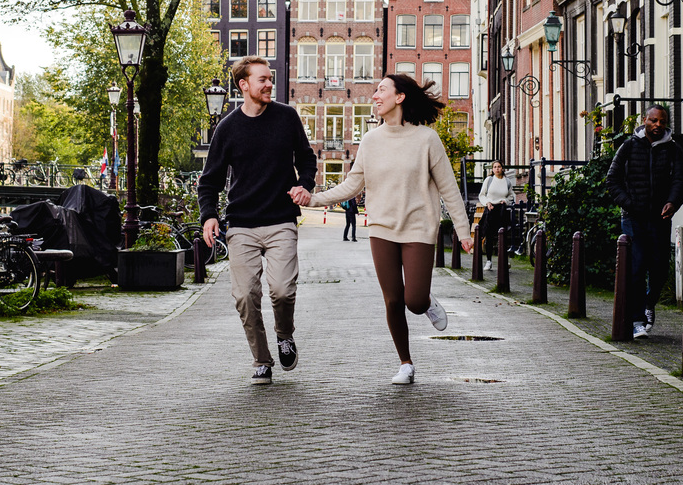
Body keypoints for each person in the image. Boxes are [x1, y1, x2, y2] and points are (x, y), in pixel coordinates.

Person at [303, 74, 473, 385]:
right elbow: (352, 185)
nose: (375, 96)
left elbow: (449, 189)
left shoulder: (427, 140)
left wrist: (464, 232)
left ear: (400, 97)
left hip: (419, 228)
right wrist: (314, 199)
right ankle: (406, 363)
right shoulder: (370, 140)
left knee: (415, 300)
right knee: (393, 300)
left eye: (382, 90)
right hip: (382, 229)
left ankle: (427, 303)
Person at [198, 56, 317, 385]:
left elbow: (307, 159)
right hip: (242, 223)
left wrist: (304, 185)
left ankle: (284, 333)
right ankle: (261, 359)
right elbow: (210, 180)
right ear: (244, 85)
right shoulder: (228, 128)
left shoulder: (287, 117)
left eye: (270, 79)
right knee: (245, 295)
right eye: (262, 79)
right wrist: (208, 216)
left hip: (280, 219)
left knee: (281, 290)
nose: (269, 84)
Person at [605, 104, 683, 339]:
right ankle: (637, 320)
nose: (657, 125)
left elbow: (680, 181)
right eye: (653, 121)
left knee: (660, 268)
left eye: (661, 121)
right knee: (637, 266)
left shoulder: (673, 149)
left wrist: (673, 203)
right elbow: (612, 179)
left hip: (660, 218)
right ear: (645, 120)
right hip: (634, 218)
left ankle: (649, 304)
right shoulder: (629, 146)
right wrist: (629, 203)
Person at [477, 160, 515, 271]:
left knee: (502, 235)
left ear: (502, 168)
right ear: (492, 169)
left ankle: (504, 260)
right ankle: (489, 261)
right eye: (495, 167)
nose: (497, 168)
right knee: (489, 236)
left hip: (502, 210)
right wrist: (487, 203)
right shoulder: (489, 180)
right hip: (490, 209)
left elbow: (511, 195)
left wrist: (506, 201)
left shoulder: (507, 181)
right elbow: (482, 195)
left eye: (499, 166)